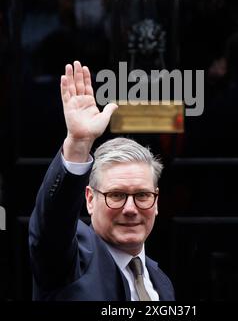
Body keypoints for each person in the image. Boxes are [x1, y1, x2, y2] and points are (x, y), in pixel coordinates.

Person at [29, 61, 175, 301]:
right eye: (116, 195)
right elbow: (51, 225)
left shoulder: (162, 284)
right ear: (90, 199)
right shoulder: (70, 263)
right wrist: (78, 144)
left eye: (142, 195)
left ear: (156, 201)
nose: (130, 209)